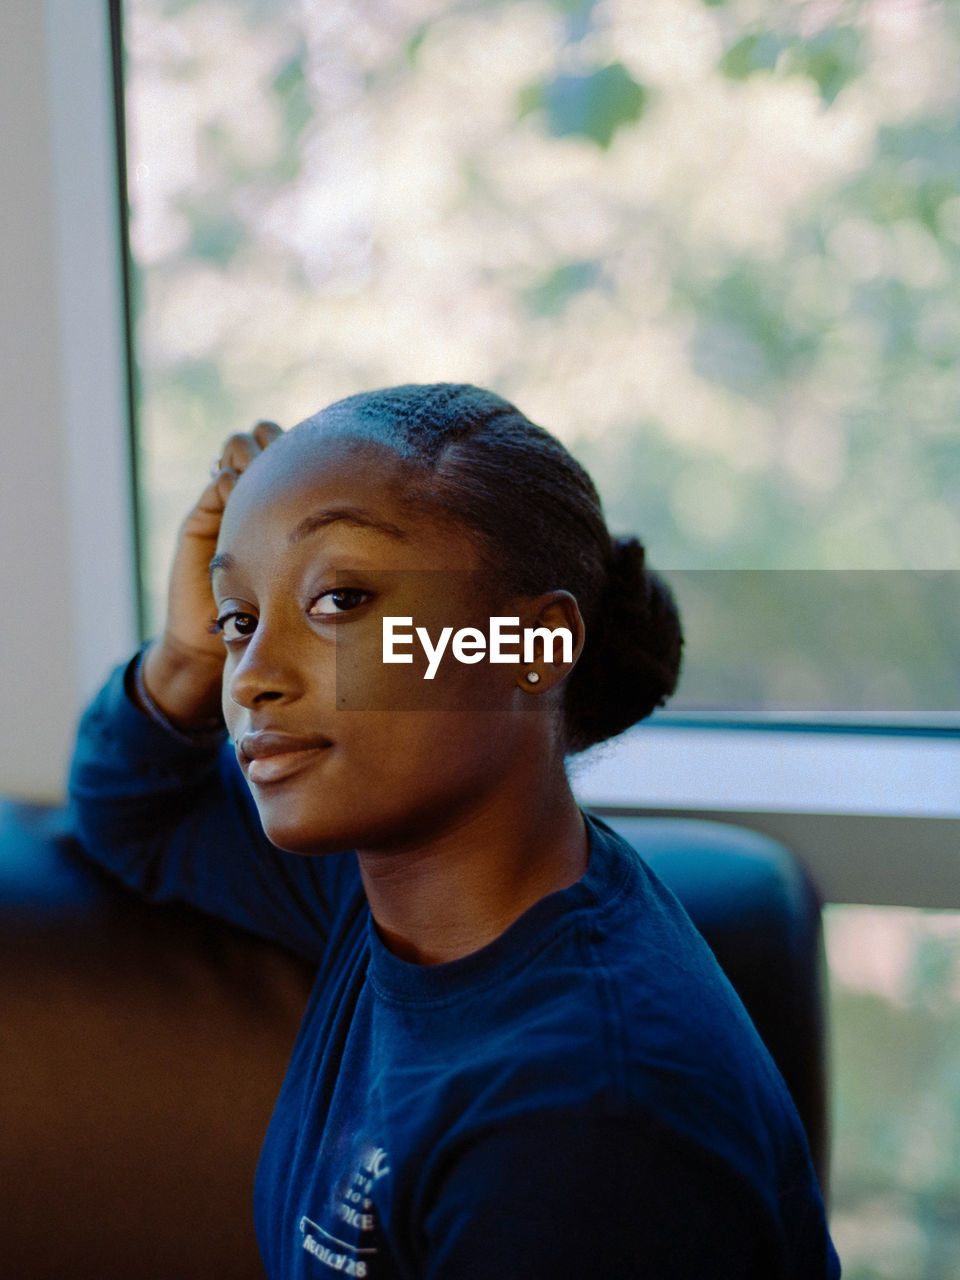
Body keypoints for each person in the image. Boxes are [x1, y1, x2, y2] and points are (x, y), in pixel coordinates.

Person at [68, 383, 841, 1278]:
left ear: (530, 648)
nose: (251, 678)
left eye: (340, 599)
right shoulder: (390, 889)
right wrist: (184, 658)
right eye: (238, 620)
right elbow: (137, 814)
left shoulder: (584, 1128)